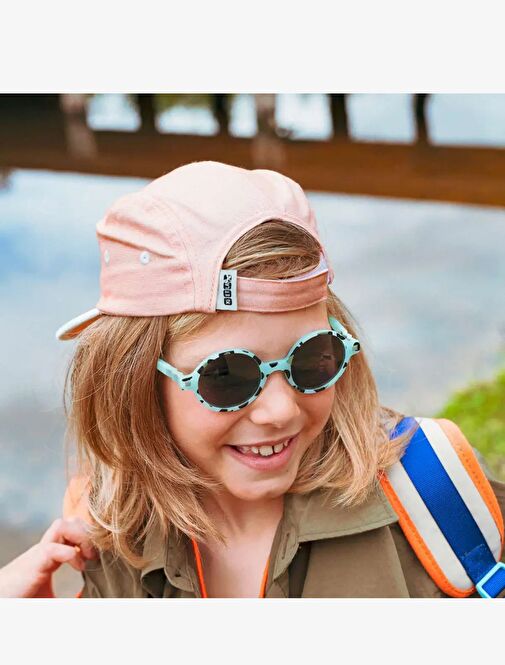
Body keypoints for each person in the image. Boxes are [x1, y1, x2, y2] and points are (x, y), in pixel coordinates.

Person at [2, 160, 504, 598]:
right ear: (133, 385)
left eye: (313, 358)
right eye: (227, 375)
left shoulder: (436, 495)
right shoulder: (109, 529)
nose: (281, 410)